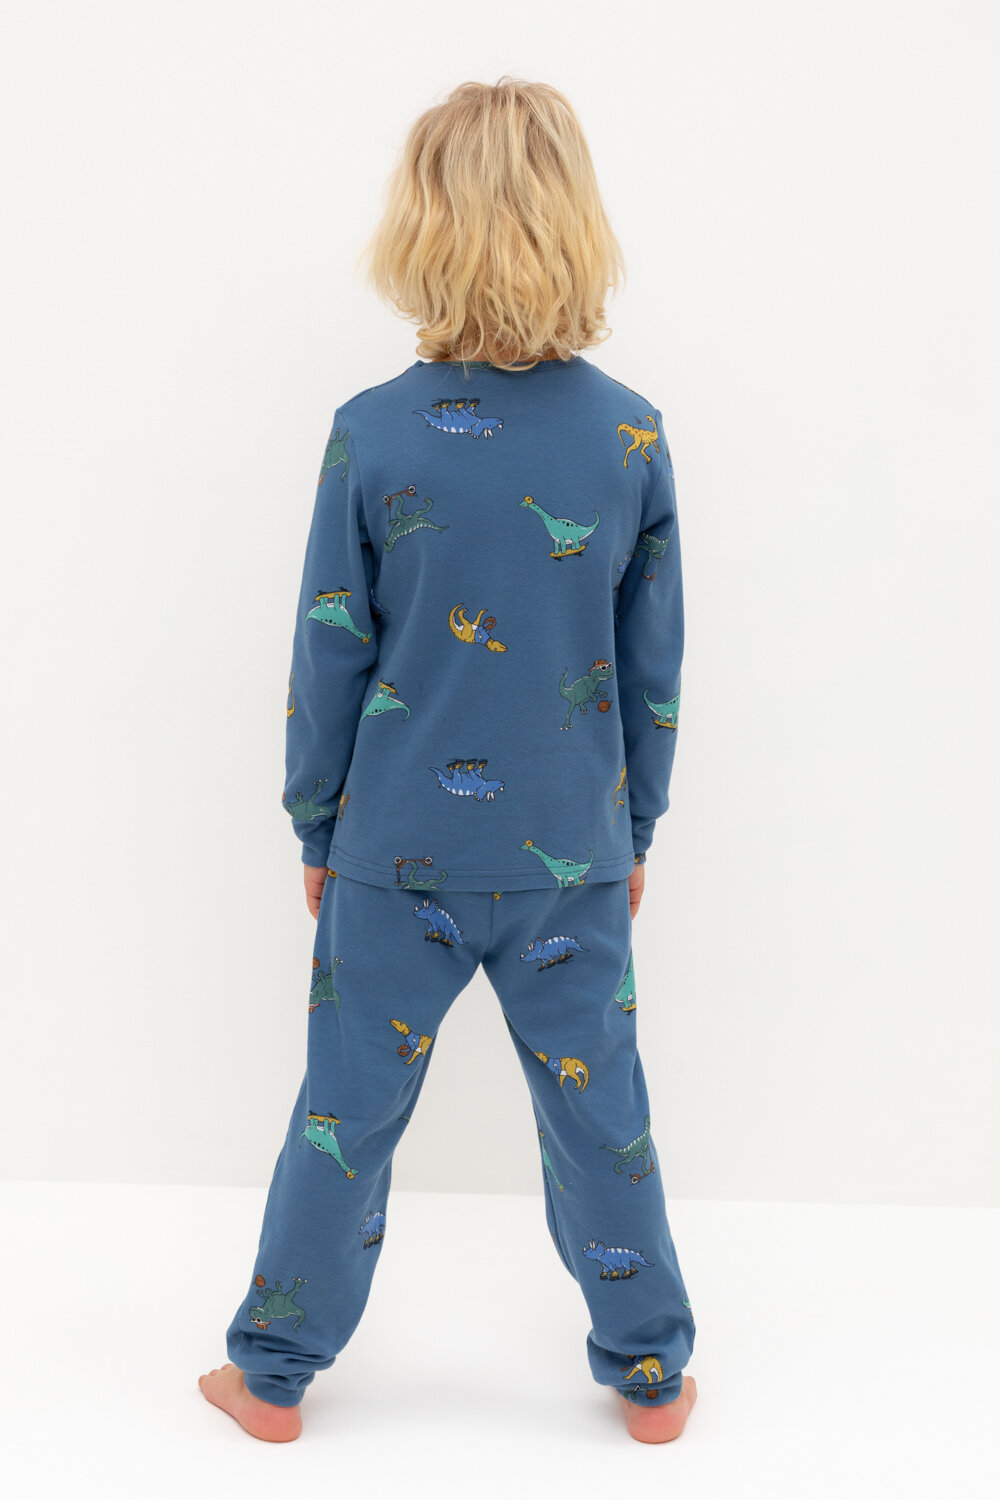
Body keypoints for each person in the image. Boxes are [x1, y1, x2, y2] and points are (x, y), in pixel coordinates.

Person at [198, 75, 697, 1445]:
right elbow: (652, 671)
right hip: (569, 853)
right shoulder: (630, 435)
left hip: (393, 849)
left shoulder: (373, 432)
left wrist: (316, 825)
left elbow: (329, 652)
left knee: (344, 1117)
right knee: (603, 1120)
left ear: (421, 227)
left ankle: (273, 1376)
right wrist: (635, 830)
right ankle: (652, 1378)